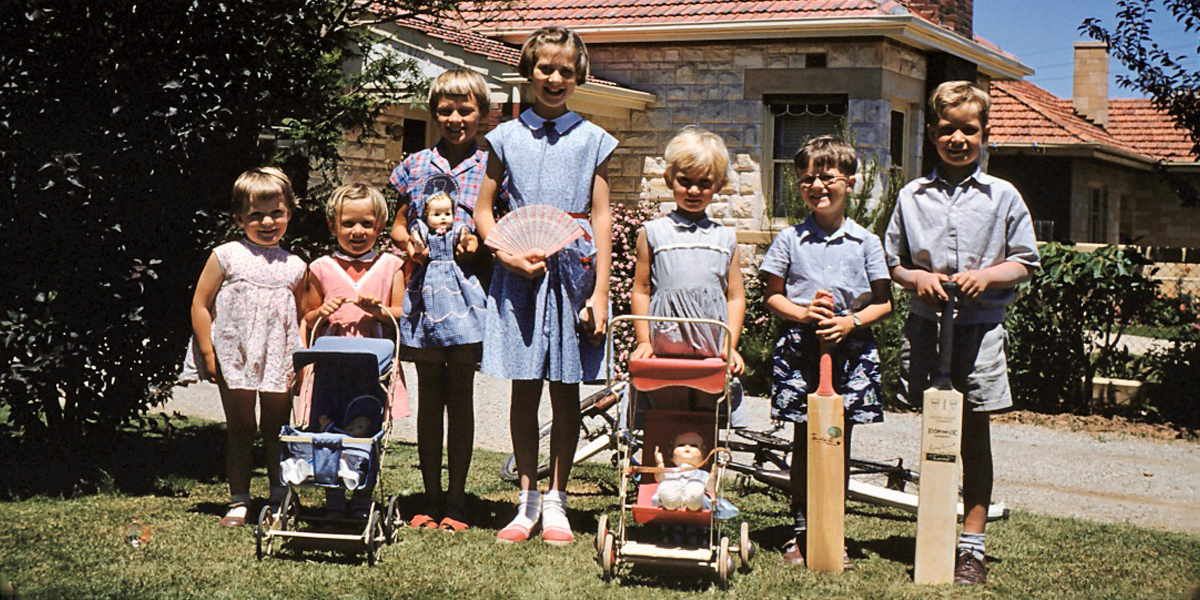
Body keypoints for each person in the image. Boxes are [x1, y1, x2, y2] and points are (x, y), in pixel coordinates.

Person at [885, 81, 1039, 585]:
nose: (958, 139)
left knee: (974, 435)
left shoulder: (1003, 196)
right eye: (947, 129)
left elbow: (1025, 262)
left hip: (980, 330)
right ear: (931, 133)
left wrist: (987, 276)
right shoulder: (912, 196)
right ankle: (933, 532)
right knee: (935, 432)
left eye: (968, 130)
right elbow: (893, 263)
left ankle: (971, 546)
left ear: (984, 134)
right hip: (927, 328)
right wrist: (917, 278)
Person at [475, 26, 616, 545]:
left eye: (565, 70)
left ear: (579, 75)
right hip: (520, 277)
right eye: (544, 69)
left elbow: (601, 216)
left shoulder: (593, 138)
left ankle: (557, 499)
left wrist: (600, 291)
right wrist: (506, 255)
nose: (554, 78)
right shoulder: (504, 137)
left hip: (574, 276)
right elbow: (485, 211)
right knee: (524, 387)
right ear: (528, 72)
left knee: (566, 390)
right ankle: (527, 500)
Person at [760, 135, 893, 568]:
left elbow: (884, 301)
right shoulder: (790, 240)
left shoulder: (866, 243)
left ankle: (831, 529)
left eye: (828, 177)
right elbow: (772, 296)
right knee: (805, 439)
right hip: (801, 350)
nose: (817, 186)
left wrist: (850, 321)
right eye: (807, 178)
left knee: (837, 440)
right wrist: (802, 314)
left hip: (849, 352)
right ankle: (801, 530)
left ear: (850, 183)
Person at [389, 68, 490, 532]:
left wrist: (480, 245)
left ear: (481, 114)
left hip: (468, 297)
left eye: (465, 109)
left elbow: (498, 223)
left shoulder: (491, 166)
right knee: (429, 396)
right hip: (423, 297)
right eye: (445, 109)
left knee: (460, 396)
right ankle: (428, 498)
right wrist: (408, 244)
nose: (455, 118)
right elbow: (399, 221)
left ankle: (457, 500)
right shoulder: (415, 164)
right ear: (433, 114)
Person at [184, 167, 307, 527]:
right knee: (240, 428)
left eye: (276, 213)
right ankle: (238, 499)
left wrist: (301, 359)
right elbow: (200, 304)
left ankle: (279, 496)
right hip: (234, 355)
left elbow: (301, 314)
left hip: (278, 357)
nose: (267, 221)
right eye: (256, 215)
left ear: (289, 213)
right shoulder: (226, 255)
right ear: (240, 217)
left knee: (277, 428)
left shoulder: (296, 266)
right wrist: (207, 351)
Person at [629, 125, 747, 425]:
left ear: (718, 185)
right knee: (666, 415)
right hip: (665, 344)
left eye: (704, 183)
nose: (694, 191)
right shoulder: (653, 232)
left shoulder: (725, 238)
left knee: (706, 419)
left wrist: (729, 345)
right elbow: (641, 289)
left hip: (711, 345)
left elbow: (734, 296)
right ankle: (662, 469)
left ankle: (699, 471)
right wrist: (644, 340)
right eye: (685, 181)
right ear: (669, 180)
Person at [299, 183, 408, 423]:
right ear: (333, 226)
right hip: (332, 362)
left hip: (373, 361)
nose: (357, 231)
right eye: (348, 223)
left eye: (367, 224)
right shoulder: (321, 267)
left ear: (380, 227)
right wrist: (322, 312)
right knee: (327, 420)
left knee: (367, 420)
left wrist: (379, 311)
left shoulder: (391, 266)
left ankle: (365, 461)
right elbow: (308, 318)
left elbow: (402, 313)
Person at [652, 431, 711, 511]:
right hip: (672, 496)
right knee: (668, 485)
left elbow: (710, 487)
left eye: (694, 446)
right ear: (671, 456)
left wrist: (714, 475)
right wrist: (660, 465)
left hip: (697, 502)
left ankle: (693, 499)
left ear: (704, 457)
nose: (687, 448)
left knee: (696, 488)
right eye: (681, 445)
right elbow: (660, 478)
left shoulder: (702, 474)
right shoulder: (671, 471)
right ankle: (671, 500)